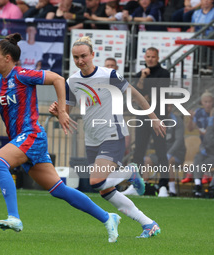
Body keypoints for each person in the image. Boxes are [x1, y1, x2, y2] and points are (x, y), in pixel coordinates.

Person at [0, 33, 122, 243]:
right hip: (21, 140)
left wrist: (62, 110)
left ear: (7, 58)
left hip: (32, 135)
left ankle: (14, 218)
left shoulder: (22, 75)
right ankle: (108, 217)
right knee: (59, 190)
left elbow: (58, 78)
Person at [49, 36, 164, 238]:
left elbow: (135, 94)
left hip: (113, 134)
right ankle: (148, 224)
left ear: (92, 55)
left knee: (96, 181)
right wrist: (57, 111)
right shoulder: (72, 81)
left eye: (84, 56)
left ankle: (130, 173)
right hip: (92, 139)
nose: (80, 60)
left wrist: (153, 118)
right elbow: (65, 112)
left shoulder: (108, 74)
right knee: (105, 190)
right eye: (76, 57)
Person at [132, 47, 171, 197]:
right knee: (138, 153)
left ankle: (163, 186)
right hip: (142, 117)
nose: (150, 59)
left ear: (157, 57)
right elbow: (136, 95)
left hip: (159, 117)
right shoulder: (140, 74)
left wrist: (145, 97)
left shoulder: (164, 73)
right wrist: (142, 79)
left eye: (153, 57)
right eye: (148, 56)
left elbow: (159, 94)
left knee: (161, 151)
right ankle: (136, 185)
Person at [125, 103, 186, 197]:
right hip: (162, 153)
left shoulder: (177, 120)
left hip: (176, 153)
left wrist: (169, 153)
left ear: (172, 107)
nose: (167, 108)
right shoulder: (156, 119)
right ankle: (143, 186)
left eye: (169, 106)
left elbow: (179, 140)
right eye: (165, 105)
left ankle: (171, 190)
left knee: (167, 160)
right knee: (146, 160)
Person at [182, 91, 214, 186]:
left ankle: (201, 176)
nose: (208, 104)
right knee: (198, 158)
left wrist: (206, 133)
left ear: (213, 102)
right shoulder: (199, 113)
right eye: (205, 102)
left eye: (210, 102)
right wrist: (191, 119)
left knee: (201, 159)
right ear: (202, 102)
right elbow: (190, 129)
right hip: (204, 146)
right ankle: (198, 183)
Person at [191, 107, 214, 197]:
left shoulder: (212, 129)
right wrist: (202, 148)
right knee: (198, 158)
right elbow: (204, 142)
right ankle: (198, 185)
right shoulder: (212, 129)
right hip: (211, 157)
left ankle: (213, 188)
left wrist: (210, 127)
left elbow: (210, 141)